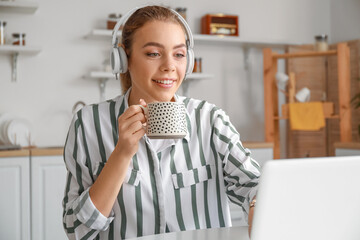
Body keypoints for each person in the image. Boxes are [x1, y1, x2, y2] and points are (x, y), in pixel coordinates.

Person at [62, 5, 260, 240]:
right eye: (153, 53)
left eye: (179, 54)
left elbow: (255, 187)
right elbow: (77, 231)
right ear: (124, 59)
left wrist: (259, 205)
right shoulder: (88, 124)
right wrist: (122, 154)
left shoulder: (210, 120)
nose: (169, 66)